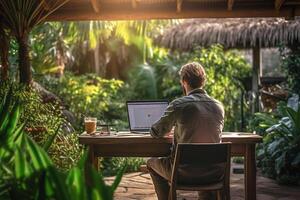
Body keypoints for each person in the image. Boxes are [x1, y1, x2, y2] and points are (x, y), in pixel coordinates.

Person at [147, 62, 225, 200]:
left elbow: (156, 131)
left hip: (183, 173)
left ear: (184, 82)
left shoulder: (179, 104)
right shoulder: (219, 106)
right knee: (204, 165)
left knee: (151, 163)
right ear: (203, 81)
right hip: (213, 173)